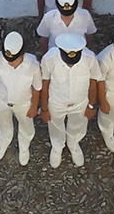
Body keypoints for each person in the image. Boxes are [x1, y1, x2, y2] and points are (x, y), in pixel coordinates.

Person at [41, 32, 100, 169]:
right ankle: (57, 146)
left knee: (78, 124)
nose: (70, 64)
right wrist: (44, 109)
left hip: (80, 102)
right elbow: (44, 84)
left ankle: (74, 143)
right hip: (56, 102)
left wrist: (91, 106)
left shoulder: (90, 58)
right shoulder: (49, 58)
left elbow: (93, 83)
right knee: (55, 126)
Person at [0, 31, 41, 165]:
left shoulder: (33, 65)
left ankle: (24, 146)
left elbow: (37, 88)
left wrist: (34, 106)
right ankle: (4, 140)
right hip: (2, 99)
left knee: (26, 126)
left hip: (23, 103)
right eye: (8, 59)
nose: (9, 62)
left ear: (22, 54)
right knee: (3, 122)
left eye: (13, 60)